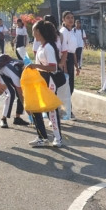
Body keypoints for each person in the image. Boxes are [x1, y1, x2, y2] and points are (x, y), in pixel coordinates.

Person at [26, 19, 66, 148]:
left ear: (38, 31)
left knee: (51, 109)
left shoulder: (48, 47)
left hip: (50, 81)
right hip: (41, 80)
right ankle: (42, 137)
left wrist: (35, 66)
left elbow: (53, 67)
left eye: (33, 30)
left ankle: (58, 138)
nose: (32, 33)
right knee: (36, 108)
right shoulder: (41, 46)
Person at [0, 55, 29, 128]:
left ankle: (17, 118)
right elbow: (20, 94)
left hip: (7, 72)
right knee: (11, 93)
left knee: (23, 91)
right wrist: (27, 109)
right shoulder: (16, 75)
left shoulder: (23, 67)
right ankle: (3, 119)